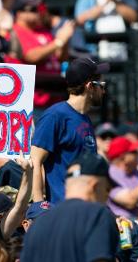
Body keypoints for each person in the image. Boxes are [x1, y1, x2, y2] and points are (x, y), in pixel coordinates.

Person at [30, 57, 109, 204]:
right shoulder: (55, 116)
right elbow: (35, 161)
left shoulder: (84, 118)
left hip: (84, 209)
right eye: (102, 85)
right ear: (90, 86)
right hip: (61, 210)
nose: (104, 91)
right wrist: (38, 208)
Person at [20, 152, 119, 262]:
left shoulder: (38, 223)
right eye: (107, 189)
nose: (107, 196)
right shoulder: (98, 215)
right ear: (94, 186)